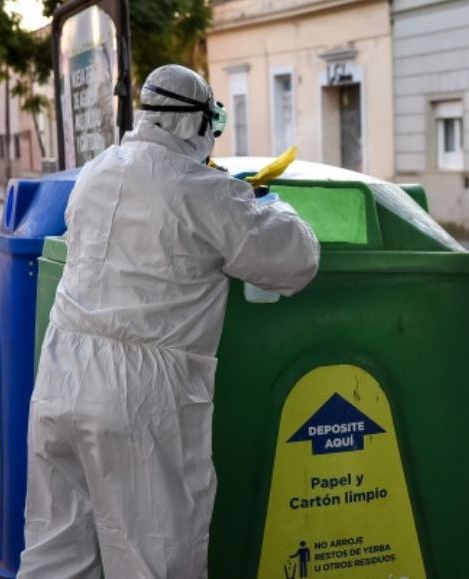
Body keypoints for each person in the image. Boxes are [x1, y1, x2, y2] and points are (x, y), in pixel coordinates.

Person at [18, 64, 319, 578]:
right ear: (197, 124)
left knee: (58, 545)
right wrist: (271, 205)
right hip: (139, 396)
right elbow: (293, 260)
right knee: (152, 553)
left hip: (62, 375)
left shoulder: (99, 169)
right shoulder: (202, 190)